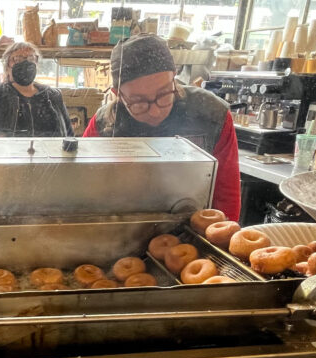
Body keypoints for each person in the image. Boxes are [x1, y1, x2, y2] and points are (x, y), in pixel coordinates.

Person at [83, 34, 241, 221]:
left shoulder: (211, 115)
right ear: (118, 94)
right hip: (121, 231)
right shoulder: (104, 125)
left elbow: (226, 196)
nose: (155, 112)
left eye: (164, 94)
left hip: (193, 232)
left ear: (174, 77)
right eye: (139, 102)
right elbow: (84, 189)